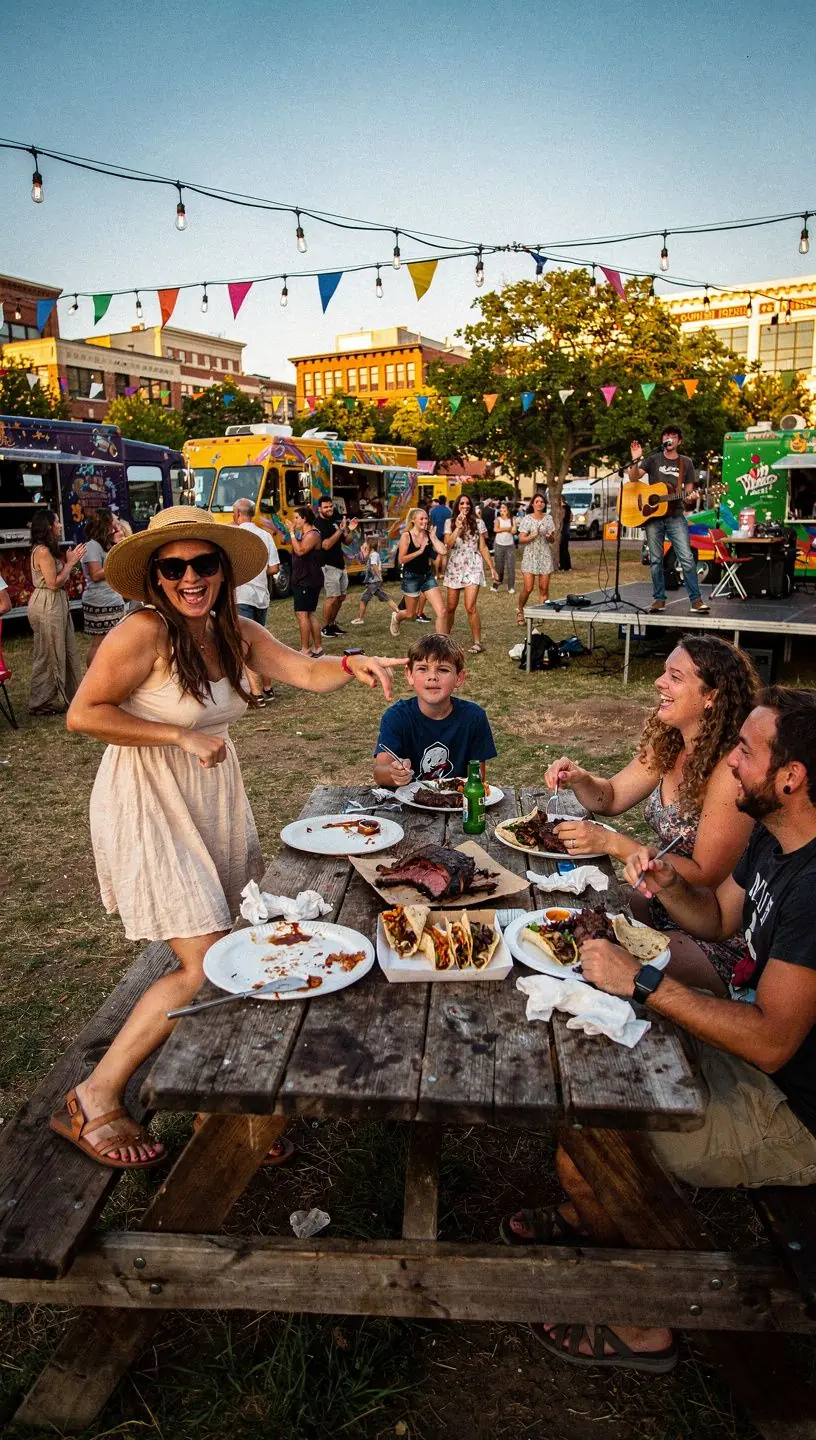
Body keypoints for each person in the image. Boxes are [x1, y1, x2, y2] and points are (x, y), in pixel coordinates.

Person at [51, 506, 404, 1169]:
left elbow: (304, 671)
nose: (190, 578)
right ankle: (92, 1097)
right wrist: (178, 734)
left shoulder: (235, 629)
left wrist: (353, 663)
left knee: (235, 944)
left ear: (221, 569)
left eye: (202, 564)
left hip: (210, 795)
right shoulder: (141, 633)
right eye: (174, 567)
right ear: (156, 577)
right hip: (147, 796)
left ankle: (220, 1105)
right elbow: (82, 714)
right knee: (207, 955)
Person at [530, 687, 816, 1374]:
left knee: (594, 1124)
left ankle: (643, 1323)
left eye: (746, 752)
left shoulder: (815, 887)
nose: (732, 764)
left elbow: (774, 1041)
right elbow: (719, 921)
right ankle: (590, 1209)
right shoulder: (778, 841)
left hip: (791, 1111)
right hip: (749, 1055)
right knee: (582, 1061)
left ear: (791, 776)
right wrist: (665, 886)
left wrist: (647, 983)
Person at [538, 636, 759, 996]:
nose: (659, 682)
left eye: (675, 676)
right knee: (573, 921)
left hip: (716, 926)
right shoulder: (670, 742)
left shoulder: (730, 768)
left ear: (711, 697)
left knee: (597, 955)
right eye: (663, 673)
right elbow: (609, 798)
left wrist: (612, 842)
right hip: (665, 899)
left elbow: (705, 876)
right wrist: (580, 778)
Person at [374, 632, 496, 788]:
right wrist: (393, 773)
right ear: (409, 675)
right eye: (423, 668)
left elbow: (477, 779)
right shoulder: (396, 717)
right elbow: (379, 772)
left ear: (459, 678)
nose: (432, 677)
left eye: (443, 670)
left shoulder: (474, 717)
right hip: (406, 807)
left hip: (456, 806)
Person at [628, 424, 709, 615]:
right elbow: (633, 479)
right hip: (653, 516)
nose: (669, 438)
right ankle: (659, 600)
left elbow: (689, 491)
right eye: (666, 435)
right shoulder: (653, 459)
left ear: (679, 441)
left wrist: (691, 497)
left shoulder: (686, 463)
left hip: (675, 516)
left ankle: (696, 600)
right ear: (662, 440)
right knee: (656, 560)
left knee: (687, 558)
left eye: (673, 436)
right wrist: (635, 459)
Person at [27, 509, 85, 715]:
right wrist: (70, 562)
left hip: (57, 603)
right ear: (48, 526)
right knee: (49, 651)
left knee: (64, 648)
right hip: (47, 604)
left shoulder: (49, 550)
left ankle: (65, 695)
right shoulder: (42, 551)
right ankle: (42, 701)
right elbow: (53, 583)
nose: (60, 525)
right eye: (57, 522)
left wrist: (69, 563)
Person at [232, 498, 280, 705]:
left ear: (236, 514)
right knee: (260, 642)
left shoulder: (234, 537)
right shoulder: (265, 536)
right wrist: (259, 572)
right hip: (261, 596)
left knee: (246, 645)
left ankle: (256, 693)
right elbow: (274, 568)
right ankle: (268, 688)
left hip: (242, 595)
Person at [442, 494, 498, 654]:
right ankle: (445, 640)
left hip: (473, 565)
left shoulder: (478, 522)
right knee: (451, 607)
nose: (465, 506)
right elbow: (448, 545)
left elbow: (483, 547)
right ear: (457, 506)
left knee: (470, 607)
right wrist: (458, 527)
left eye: (467, 504)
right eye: (462, 504)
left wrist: (492, 568)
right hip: (455, 565)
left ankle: (477, 642)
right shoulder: (449, 522)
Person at [390, 507, 447, 639]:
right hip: (411, 577)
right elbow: (401, 559)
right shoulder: (406, 536)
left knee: (442, 611)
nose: (425, 521)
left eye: (426, 518)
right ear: (414, 520)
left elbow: (443, 551)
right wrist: (420, 551)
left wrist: (433, 537)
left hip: (427, 576)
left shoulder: (428, 535)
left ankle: (441, 644)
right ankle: (397, 617)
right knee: (411, 614)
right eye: (421, 518)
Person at [80, 507, 125, 666]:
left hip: (111, 599)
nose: (115, 523)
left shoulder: (105, 544)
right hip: (100, 601)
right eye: (112, 520)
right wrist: (116, 564)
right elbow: (95, 574)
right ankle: (92, 676)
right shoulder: (92, 546)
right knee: (99, 643)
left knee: (112, 642)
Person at [314, 496, 358, 638]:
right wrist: (340, 530)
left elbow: (348, 541)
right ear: (319, 509)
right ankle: (325, 627)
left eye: (330, 506)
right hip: (328, 565)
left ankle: (332, 624)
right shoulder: (318, 524)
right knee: (332, 598)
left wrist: (349, 530)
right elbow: (325, 545)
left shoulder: (334, 521)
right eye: (325, 507)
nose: (329, 509)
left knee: (341, 597)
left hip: (340, 564)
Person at [285, 506, 324, 657]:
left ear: (304, 519)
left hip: (307, 580)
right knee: (309, 614)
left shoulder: (313, 534)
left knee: (303, 614)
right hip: (303, 578)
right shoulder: (305, 533)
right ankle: (317, 647)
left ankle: (305, 649)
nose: (294, 521)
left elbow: (300, 551)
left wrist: (291, 533)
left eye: (296, 518)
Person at [515, 494, 555, 623]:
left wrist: (550, 537)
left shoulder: (548, 519)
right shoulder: (527, 519)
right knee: (528, 587)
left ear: (544, 504)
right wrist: (533, 535)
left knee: (544, 587)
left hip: (544, 554)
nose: (539, 503)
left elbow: (552, 540)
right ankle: (520, 610)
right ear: (533, 504)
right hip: (530, 555)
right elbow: (521, 539)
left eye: (542, 502)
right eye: (537, 501)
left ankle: (541, 613)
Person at [351, 537, 400, 626]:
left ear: (370, 545)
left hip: (374, 582)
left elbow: (374, 565)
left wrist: (380, 577)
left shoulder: (374, 555)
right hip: (374, 582)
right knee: (385, 597)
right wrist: (362, 550)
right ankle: (399, 612)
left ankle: (361, 618)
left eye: (365, 544)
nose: (363, 545)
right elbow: (363, 559)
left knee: (364, 599)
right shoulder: (372, 554)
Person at [491, 500, 517, 593]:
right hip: (499, 545)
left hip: (510, 545)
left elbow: (514, 531)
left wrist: (508, 529)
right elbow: (496, 529)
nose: (502, 510)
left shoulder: (512, 519)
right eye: (501, 508)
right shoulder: (498, 519)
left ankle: (511, 587)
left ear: (508, 509)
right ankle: (496, 584)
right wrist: (507, 528)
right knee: (499, 566)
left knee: (511, 566)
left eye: (503, 508)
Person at [429, 494, 452, 579]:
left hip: (436, 534)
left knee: (437, 554)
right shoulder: (449, 511)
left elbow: (431, 523)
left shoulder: (433, 511)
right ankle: (443, 573)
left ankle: (436, 574)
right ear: (445, 501)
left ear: (438, 501)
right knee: (444, 554)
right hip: (446, 534)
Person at [559, 498, 572, 572]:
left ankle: (563, 566)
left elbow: (563, 518)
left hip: (563, 531)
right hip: (566, 531)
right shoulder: (568, 508)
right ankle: (568, 566)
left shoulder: (563, 508)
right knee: (565, 549)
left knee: (562, 548)